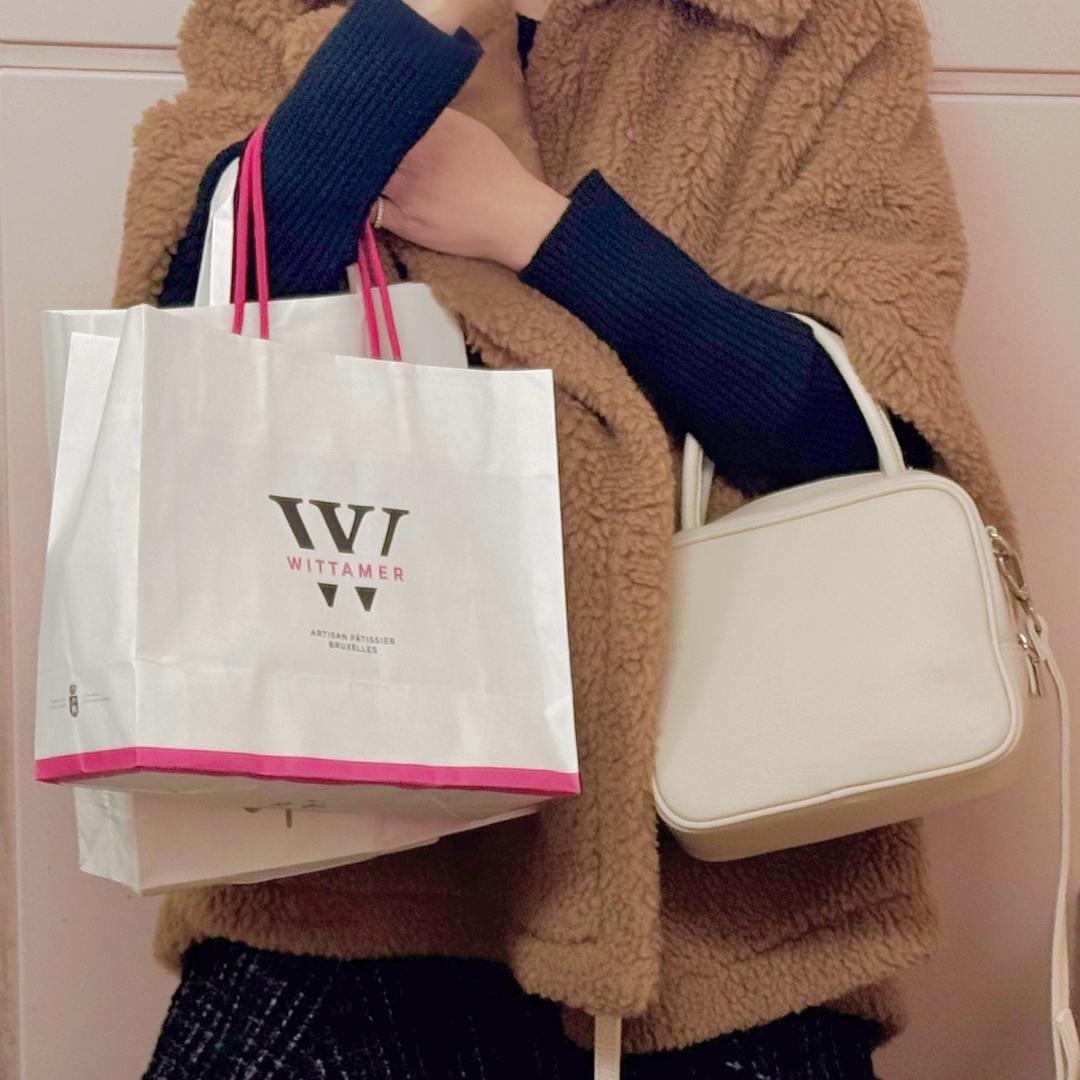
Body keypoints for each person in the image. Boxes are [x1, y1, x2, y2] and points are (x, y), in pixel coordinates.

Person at [111, 0, 1020, 1075]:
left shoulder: (812, 28)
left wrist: (535, 230)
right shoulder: (281, 19)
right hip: (351, 869)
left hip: (722, 899)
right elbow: (194, 357)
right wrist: (400, 40)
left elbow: (861, 438)